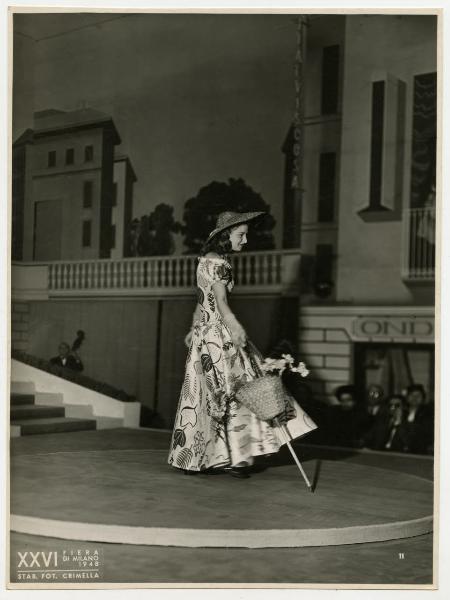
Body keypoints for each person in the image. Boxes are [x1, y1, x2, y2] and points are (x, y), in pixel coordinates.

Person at [168, 211, 317, 478]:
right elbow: (221, 301)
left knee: (207, 393)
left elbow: (202, 301)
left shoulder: (205, 260)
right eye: (241, 235)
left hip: (205, 337)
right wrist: (235, 327)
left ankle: (203, 458)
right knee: (240, 388)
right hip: (220, 336)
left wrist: (194, 328)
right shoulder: (220, 265)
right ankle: (237, 457)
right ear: (226, 236)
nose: (245, 240)